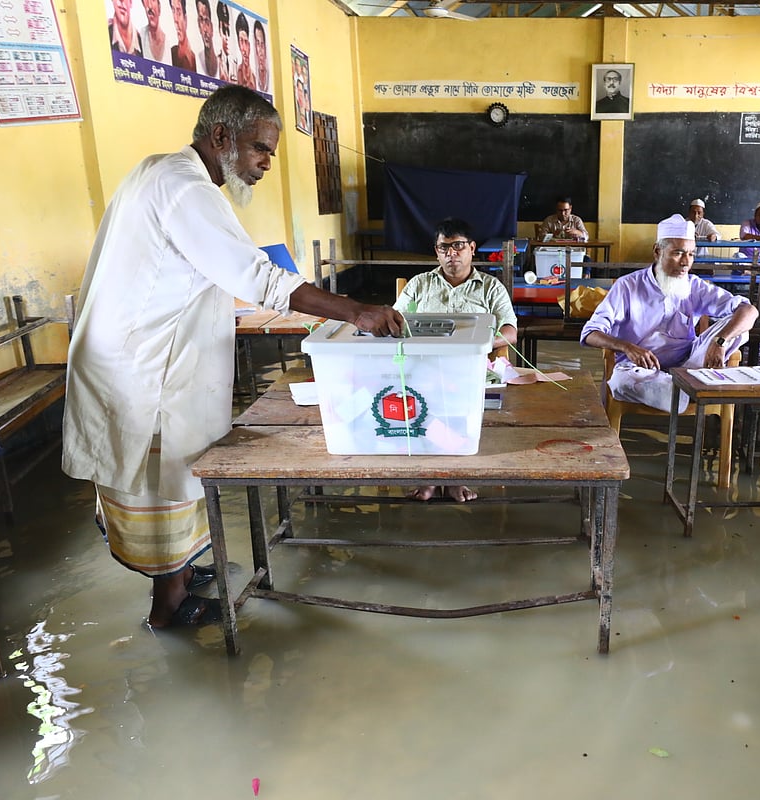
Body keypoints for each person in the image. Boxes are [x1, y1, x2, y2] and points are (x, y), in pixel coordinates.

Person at [61, 86, 404, 630]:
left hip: (138, 352)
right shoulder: (184, 188)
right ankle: (166, 608)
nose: (266, 162)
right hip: (143, 368)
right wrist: (355, 311)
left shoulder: (160, 170)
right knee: (163, 478)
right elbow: (260, 277)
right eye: (258, 148)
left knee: (179, 470)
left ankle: (177, 572)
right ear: (220, 137)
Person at [580, 214, 758, 412]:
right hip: (640, 370)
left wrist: (720, 341)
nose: (685, 262)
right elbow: (590, 333)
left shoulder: (694, 285)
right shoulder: (628, 286)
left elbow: (749, 310)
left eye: (691, 254)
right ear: (658, 252)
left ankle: (679, 389)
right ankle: (685, 390)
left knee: (739, 328)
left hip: (690, 365)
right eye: (678, 253)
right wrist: (627, 347)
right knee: (622, 380)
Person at [394, 218, 518, 503]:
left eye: (458, 246)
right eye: (444, 248)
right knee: (420, 404)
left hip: (470, 370)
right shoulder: (419, 285)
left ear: (472, 248)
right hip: (421, 367)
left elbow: (510, 332)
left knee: (460, 406)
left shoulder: (490, 287)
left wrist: (480, 344)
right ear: (436, 252)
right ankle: (429, 477)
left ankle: (453, 477)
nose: (452, 254)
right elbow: (396, 321)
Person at [169, 0, 197, 73]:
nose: (175, 19)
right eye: (173, 11)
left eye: (178, 12)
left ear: (185, 19)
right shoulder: (171, 54)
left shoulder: (196, 61)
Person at [194, 0, 219, 78]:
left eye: (206, 21)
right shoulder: (197, 60)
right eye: (201, 20)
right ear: (198, 25)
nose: (205, 29)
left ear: (211, 27)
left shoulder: (221, 63)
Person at [234, 12, 257, 90]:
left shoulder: (253, 78)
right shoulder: (237, 74)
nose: (244, 49)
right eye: (241, 41)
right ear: (238, 44)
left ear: (249, 46)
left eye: (246, 42)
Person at [215, 1, 233, 81]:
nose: (227, 37)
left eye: (228, 31)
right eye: (224, 31)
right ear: (219, 30)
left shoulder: (234, 65)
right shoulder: (216, 62)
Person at [253, 19, 269, 93]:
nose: (260, 50)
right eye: (258, 44)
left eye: (262, 44)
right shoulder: (254, 76)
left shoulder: (268, 77)